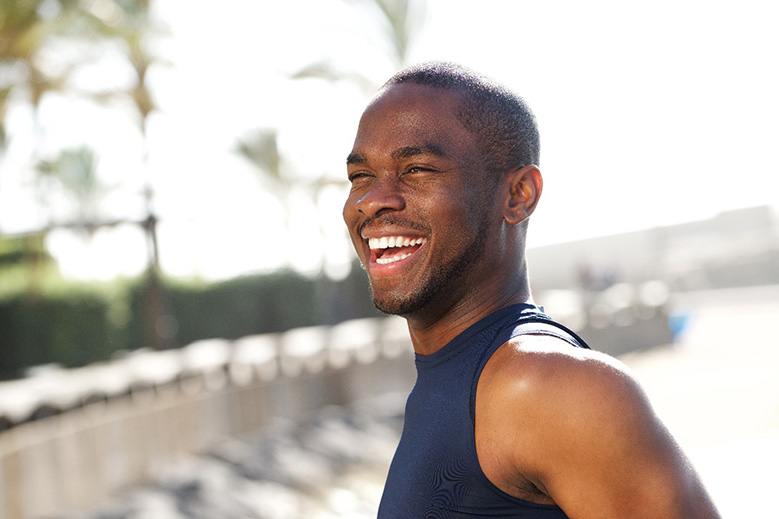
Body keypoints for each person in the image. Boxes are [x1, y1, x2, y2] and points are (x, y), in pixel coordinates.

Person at [342, 62, 719, 518]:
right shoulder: (454, 378)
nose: (372, 200)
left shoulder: (548, 388)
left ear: (518, 194)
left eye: (416, 169)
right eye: (361, 177)